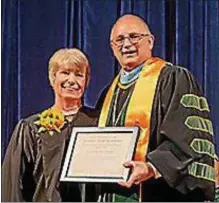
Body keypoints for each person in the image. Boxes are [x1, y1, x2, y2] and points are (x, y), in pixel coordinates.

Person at [97, 14, 216, 201]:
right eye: (119, 40)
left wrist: (152, 167)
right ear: (112, 48)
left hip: (159, 193)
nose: (127, 44)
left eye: (134, 36)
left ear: (150, 41)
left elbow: (187, 137)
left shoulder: (174, 79)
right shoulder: (107, 94)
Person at [2, 48, 98, 202]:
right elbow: (13, 187)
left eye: (79, 75)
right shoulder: (31, 127)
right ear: (53, 78)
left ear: (86, 81)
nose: (72, 80)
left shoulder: (97, 123)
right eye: (65, 73)